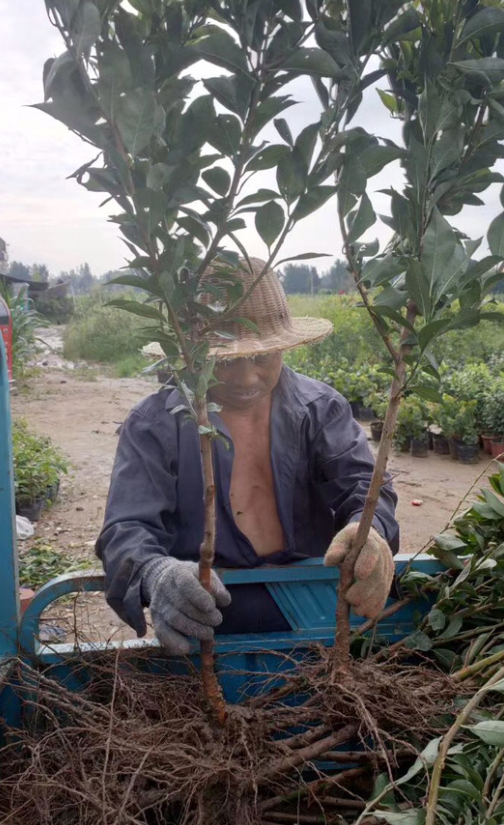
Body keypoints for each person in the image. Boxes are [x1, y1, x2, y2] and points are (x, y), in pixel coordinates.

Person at [96, 258, 399, 653]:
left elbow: (364, 485)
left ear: (282, 348)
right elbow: (126, 528)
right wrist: (157, 574)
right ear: (192, 354)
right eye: (224, 360)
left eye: (261, 357)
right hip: (206, 615)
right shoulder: (154, 425)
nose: (245, 379)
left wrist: (370, 533)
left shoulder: (320, 409)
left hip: (315, 604)